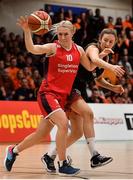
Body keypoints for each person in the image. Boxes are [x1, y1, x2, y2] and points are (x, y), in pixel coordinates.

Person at [4, 24, 124, 175]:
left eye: (65, 34)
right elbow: (33, 49)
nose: (62, 37)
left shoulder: (78, 50)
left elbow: (89, 67)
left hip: (64, 96)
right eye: (59, 34)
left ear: (72, 33)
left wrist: (101, 56)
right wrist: (27, 32)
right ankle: (63, 164)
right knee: (63, 124)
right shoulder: (53, 47)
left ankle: (13, 150)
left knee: (40, 134)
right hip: (48, 93)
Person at [41, 28, 125, 172]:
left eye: (111, 41)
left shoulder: (107, 57)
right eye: (105, 40)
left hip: (80, 90)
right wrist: (112, 67)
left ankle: (50, 156)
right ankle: (95, 155)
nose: (107, 43)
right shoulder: (93, 48)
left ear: (115, 43)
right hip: (70, 87)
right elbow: (94, 60)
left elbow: (98, 80)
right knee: (88, 113)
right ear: (100, 39)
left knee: (77, 132)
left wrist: (113, 87)